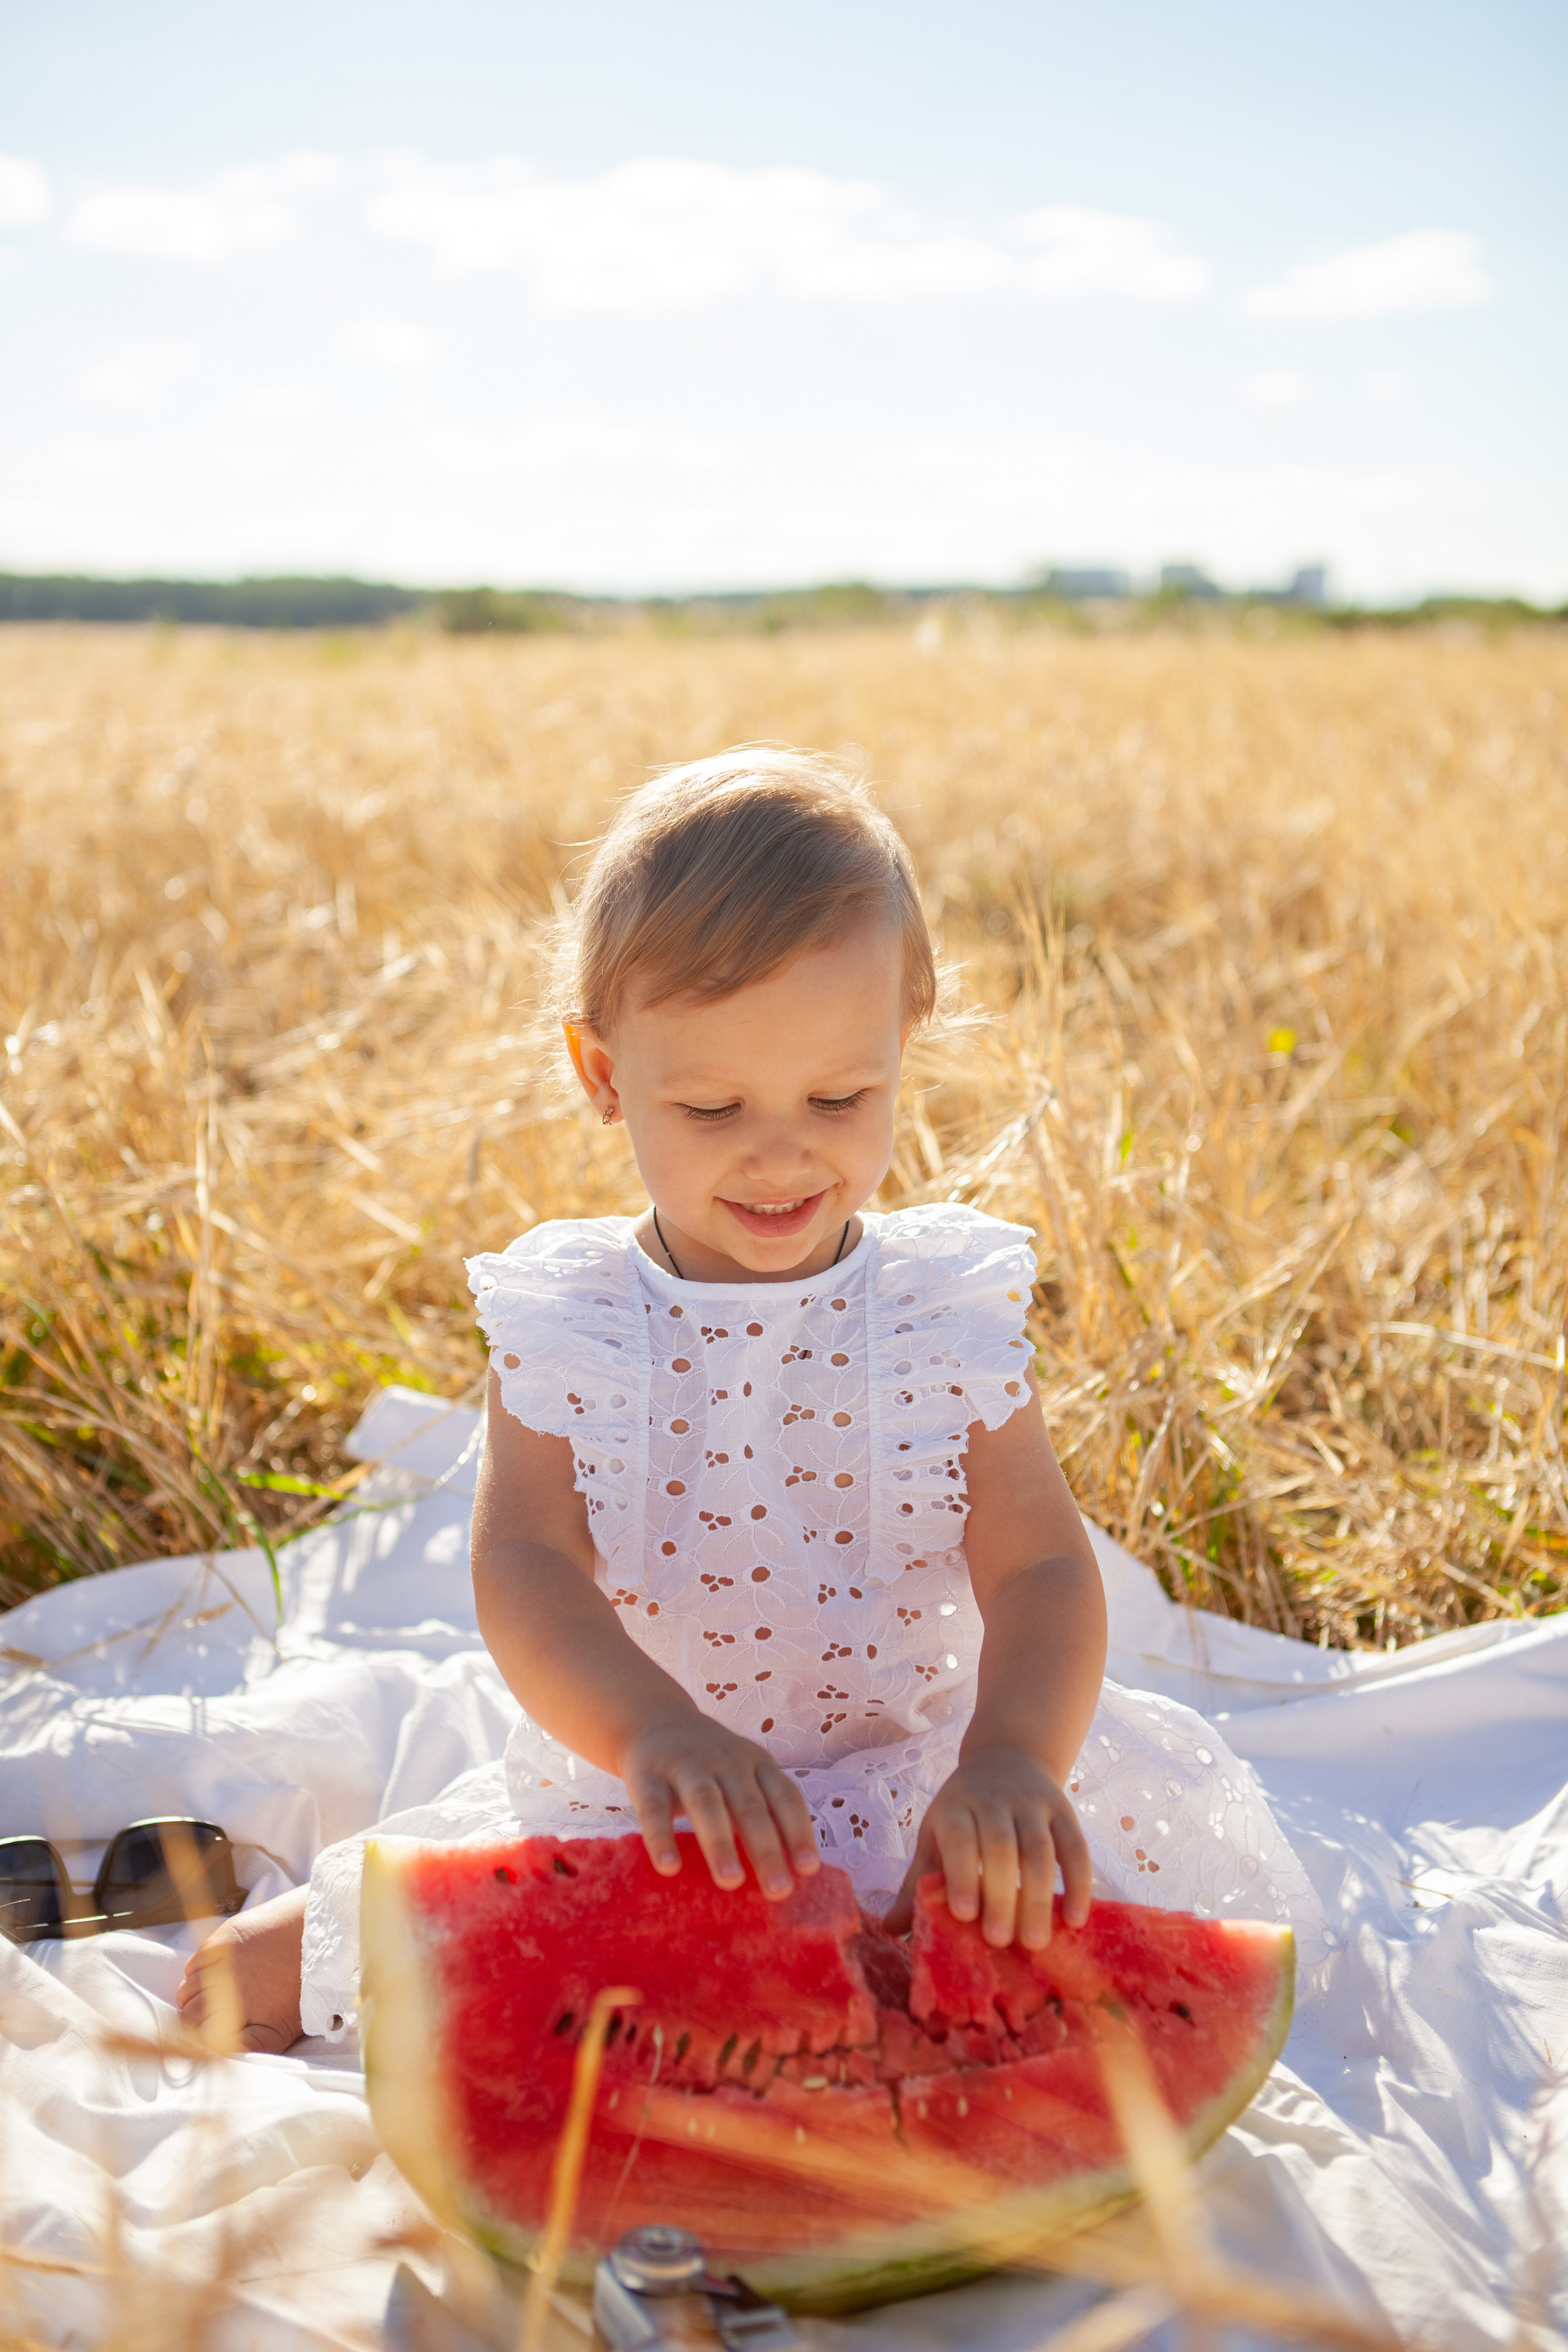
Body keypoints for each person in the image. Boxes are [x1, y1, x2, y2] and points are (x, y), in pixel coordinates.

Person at [179, 747, 1321, 2053]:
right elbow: (525, 1568)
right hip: (664, 1811)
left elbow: (1043, 1566)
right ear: (601, 1075)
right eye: (712, 1105)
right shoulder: (575, 1323)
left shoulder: (943, 1306)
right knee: (244, 1989)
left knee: (1033, 2006)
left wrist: (1009, 1759)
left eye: (840, 1097)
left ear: (903, 1046)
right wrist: (656, 1734)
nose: (781, 1151)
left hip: (927, 1794)